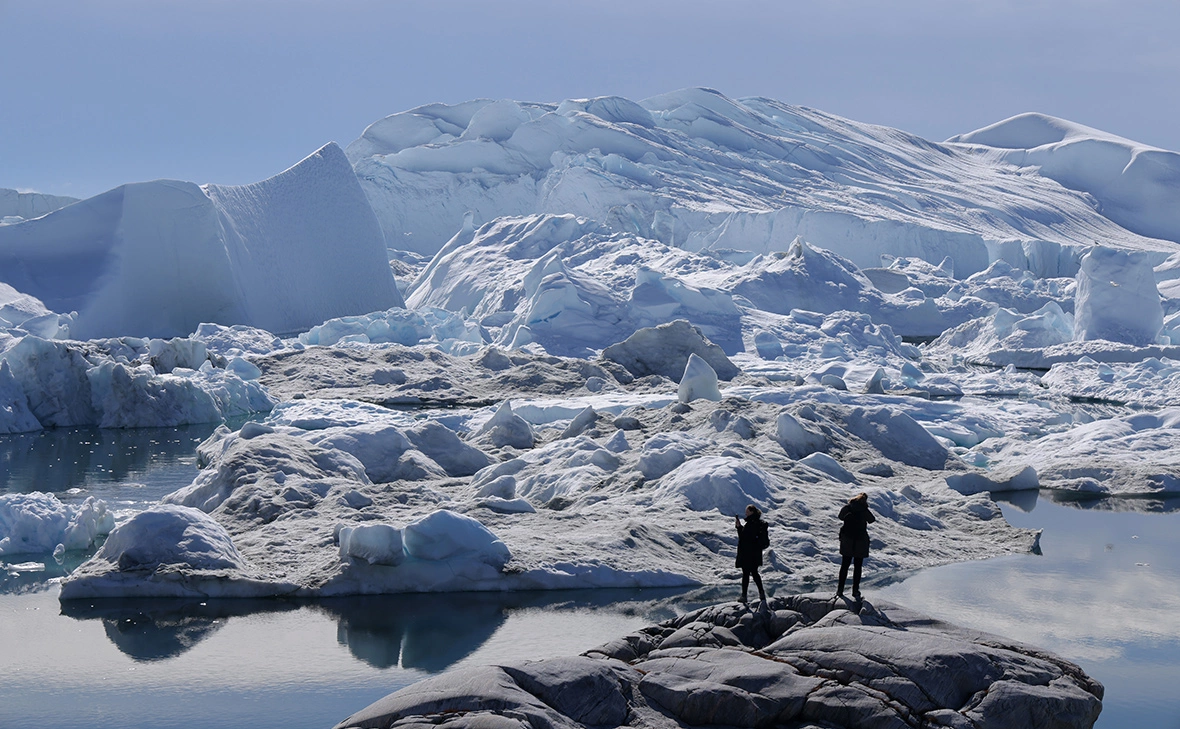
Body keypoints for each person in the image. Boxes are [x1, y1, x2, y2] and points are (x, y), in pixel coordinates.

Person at [837, 492, 875, 600]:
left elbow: (840, 517)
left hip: (847, 540)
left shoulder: (848, 507)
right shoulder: (864, 510)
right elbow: (872, 520)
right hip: (860, 541)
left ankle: (840, 590)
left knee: (845, 565)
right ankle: (855, 591)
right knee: (858, 567)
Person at [734, 504, 768, 604]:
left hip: (748, 553)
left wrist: (739, 528)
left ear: (752, 512)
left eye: (747, 511)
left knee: (746, 574)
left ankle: (744, 596)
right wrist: (740, 527)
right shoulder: (756, 523)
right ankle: (761, 593)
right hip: (755, 553)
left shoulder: (751, 523)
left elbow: (744, 538)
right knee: (754, 573)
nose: (746, 513)